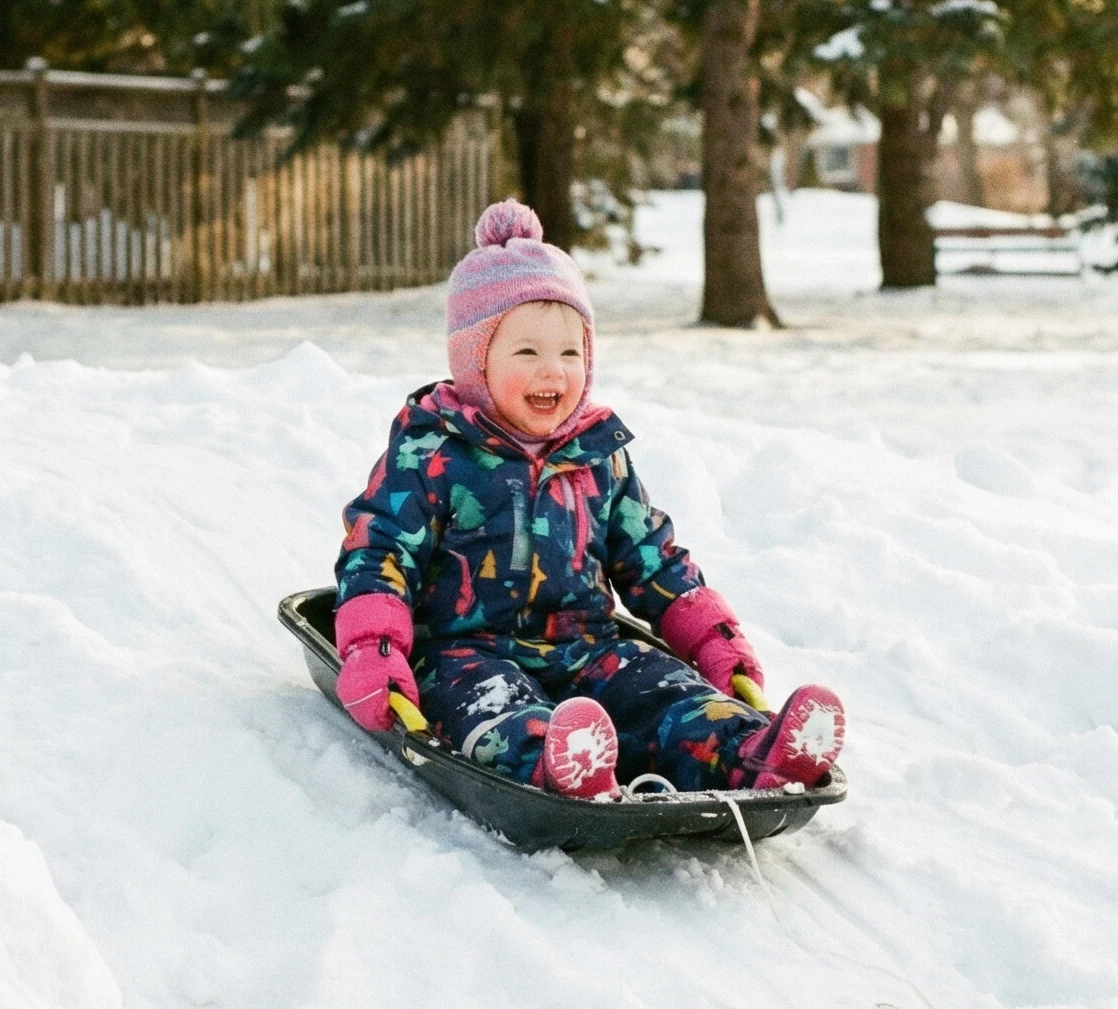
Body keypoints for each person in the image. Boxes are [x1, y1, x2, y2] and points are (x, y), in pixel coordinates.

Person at [330, 201, 845, 801]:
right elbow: (378, 554)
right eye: (527, 353)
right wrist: (375, 649)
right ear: (475, 361)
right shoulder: (432, 454)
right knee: (490, 708)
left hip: (587, 645)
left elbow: (653, 558)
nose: (554, 371)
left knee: (661, 689)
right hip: (464, 651)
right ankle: (556, 765)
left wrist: (713, 638)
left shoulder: (598, 454)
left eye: (570, 353)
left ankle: (752, 752)